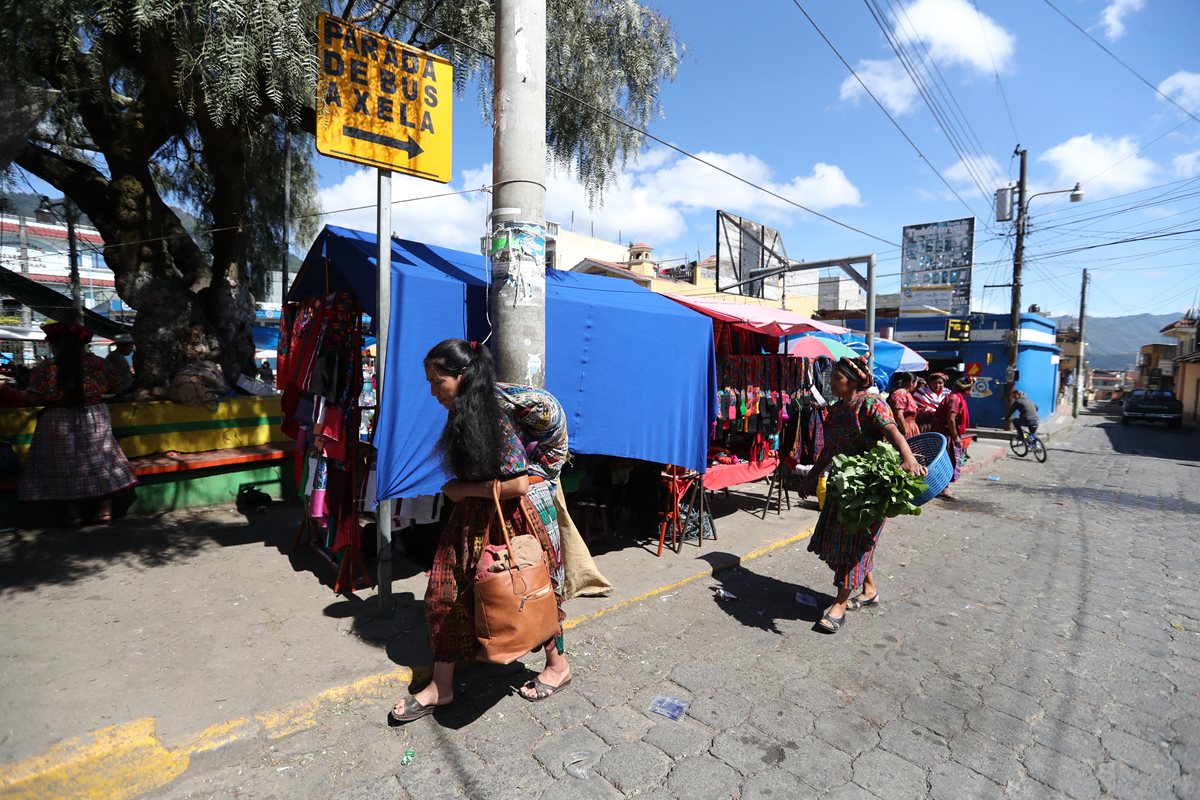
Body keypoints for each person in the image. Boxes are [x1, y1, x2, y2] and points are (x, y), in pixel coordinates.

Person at [390, 339, 571, 724]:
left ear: (464, 376)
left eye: (438, 382)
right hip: (474, 518)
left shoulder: (491, 418)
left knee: (529, 592)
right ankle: (442, 685)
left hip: (509, 519)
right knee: (445, 597)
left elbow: (518, 484)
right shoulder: (464, 411)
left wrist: (462, 490)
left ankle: (557, 666)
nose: (433, 392)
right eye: (429, 382)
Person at [800, 356, 927, 634]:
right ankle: (869, 590)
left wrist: (908, 459)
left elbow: (893, 431)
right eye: (831, 378)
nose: (831, 383)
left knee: (853, 545)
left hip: (868, 489)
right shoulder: (835, 410)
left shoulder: (871, 403)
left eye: (837, 378)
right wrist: (812, 476)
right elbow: (830, 448)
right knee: (844, 542)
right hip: (841, 485)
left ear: (854, 381)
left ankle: (839, 605)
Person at [19, 322, 136, 524]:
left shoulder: (48, 367)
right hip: (94, 416)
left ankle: (74, 514)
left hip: (57, 419)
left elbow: (33, 399)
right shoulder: (100, 364)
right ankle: (105, 510)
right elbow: (117, 389)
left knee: (62, 465)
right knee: (101, 460)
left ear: (56, 345)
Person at [931, 376, 973, 501]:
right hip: (945, 432)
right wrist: (955, 437)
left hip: (947, 431)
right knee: (947, 459)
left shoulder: (956, 397)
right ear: (966, 390)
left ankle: (942, 487)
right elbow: (950, 419)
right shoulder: (955, 398)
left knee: (948, 459)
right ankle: (943, 488)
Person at [887, 371, 921, 438]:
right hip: (904, 427)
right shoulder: (900, 394)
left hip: (911, 427)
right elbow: (899, 415)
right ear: (911, 382)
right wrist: (905, 431)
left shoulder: (907, 393)